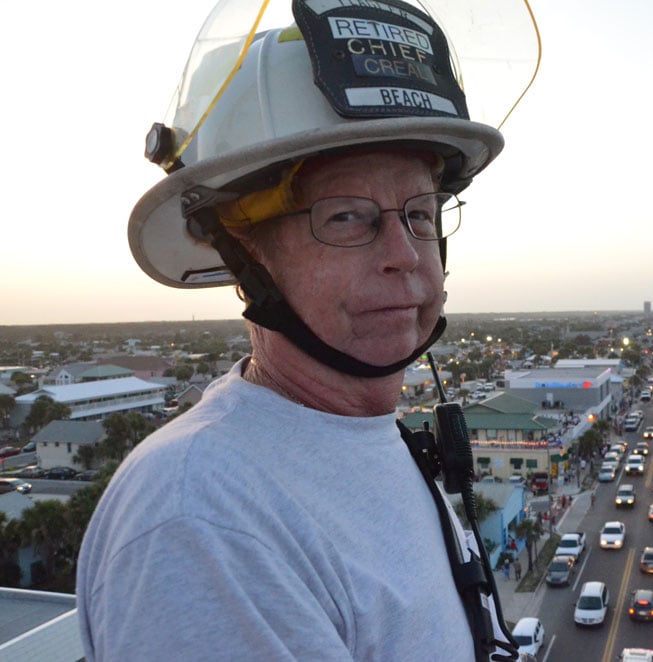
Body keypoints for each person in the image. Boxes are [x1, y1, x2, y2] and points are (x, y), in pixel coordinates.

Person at [76, 1, 526, 660]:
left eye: (422, 214)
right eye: (347, 216)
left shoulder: (369, 442)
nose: (403, 252)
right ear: (245, 248)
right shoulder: (203, 518)